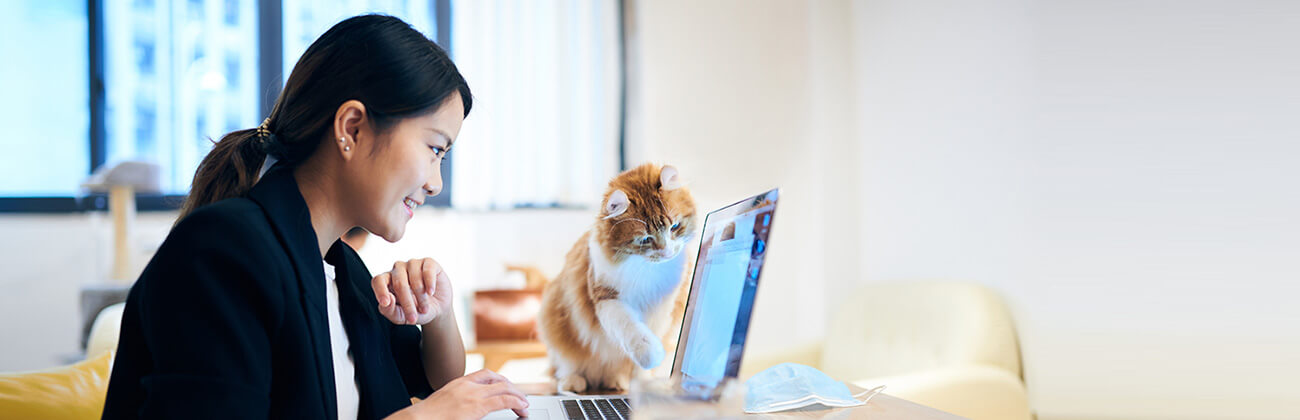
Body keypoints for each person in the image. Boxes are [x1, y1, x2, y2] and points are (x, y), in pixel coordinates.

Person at [102, 15, 528, 420]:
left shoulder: (345, 271)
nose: (436, 183)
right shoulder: (221, 252)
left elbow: (440, 385)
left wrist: (438, 314)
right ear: (353, 128)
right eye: (435, 149)